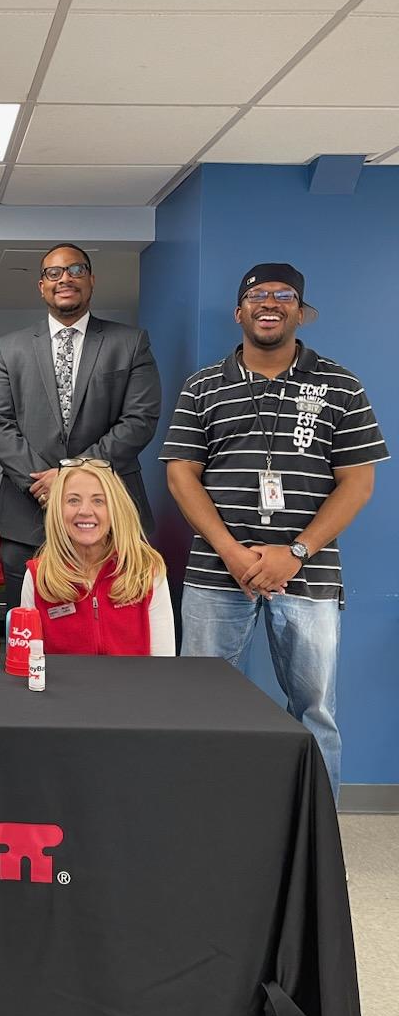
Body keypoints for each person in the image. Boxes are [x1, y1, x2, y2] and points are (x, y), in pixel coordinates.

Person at [162, 263, 388, 799]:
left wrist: (297, 551)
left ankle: (318, 839)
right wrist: (232, 553)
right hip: (217, 573)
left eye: (283, 295)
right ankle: (203, 820)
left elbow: (357, 483)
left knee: (314, 710)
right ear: (239, 312)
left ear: (300, 311)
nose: (270, 303)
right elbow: (180, 474)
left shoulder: (341, 383)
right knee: (199, 703)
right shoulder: (203, 385)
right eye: (257, 294)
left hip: (308, 574)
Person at [0, 243, 161, 609]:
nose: (65, 279)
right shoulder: (8, 348)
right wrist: (43, 482)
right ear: (41, 286)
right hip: (27, 511)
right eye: (53, 273)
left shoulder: (129, 343)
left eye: (76, 270)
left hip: (113, 513)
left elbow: (139, 419)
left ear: (91, 281)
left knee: (116, 623)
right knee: (28, 630)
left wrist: (68, 475)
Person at [21, 459, 174, 656]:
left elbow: (163, 665)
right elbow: (29, 664)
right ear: (57, 510)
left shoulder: (147, 570)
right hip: (63, 687)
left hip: (133, 687)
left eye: (98, 501)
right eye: (73, 500)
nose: (85, 511)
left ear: (115, 510)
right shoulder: (38, 576)